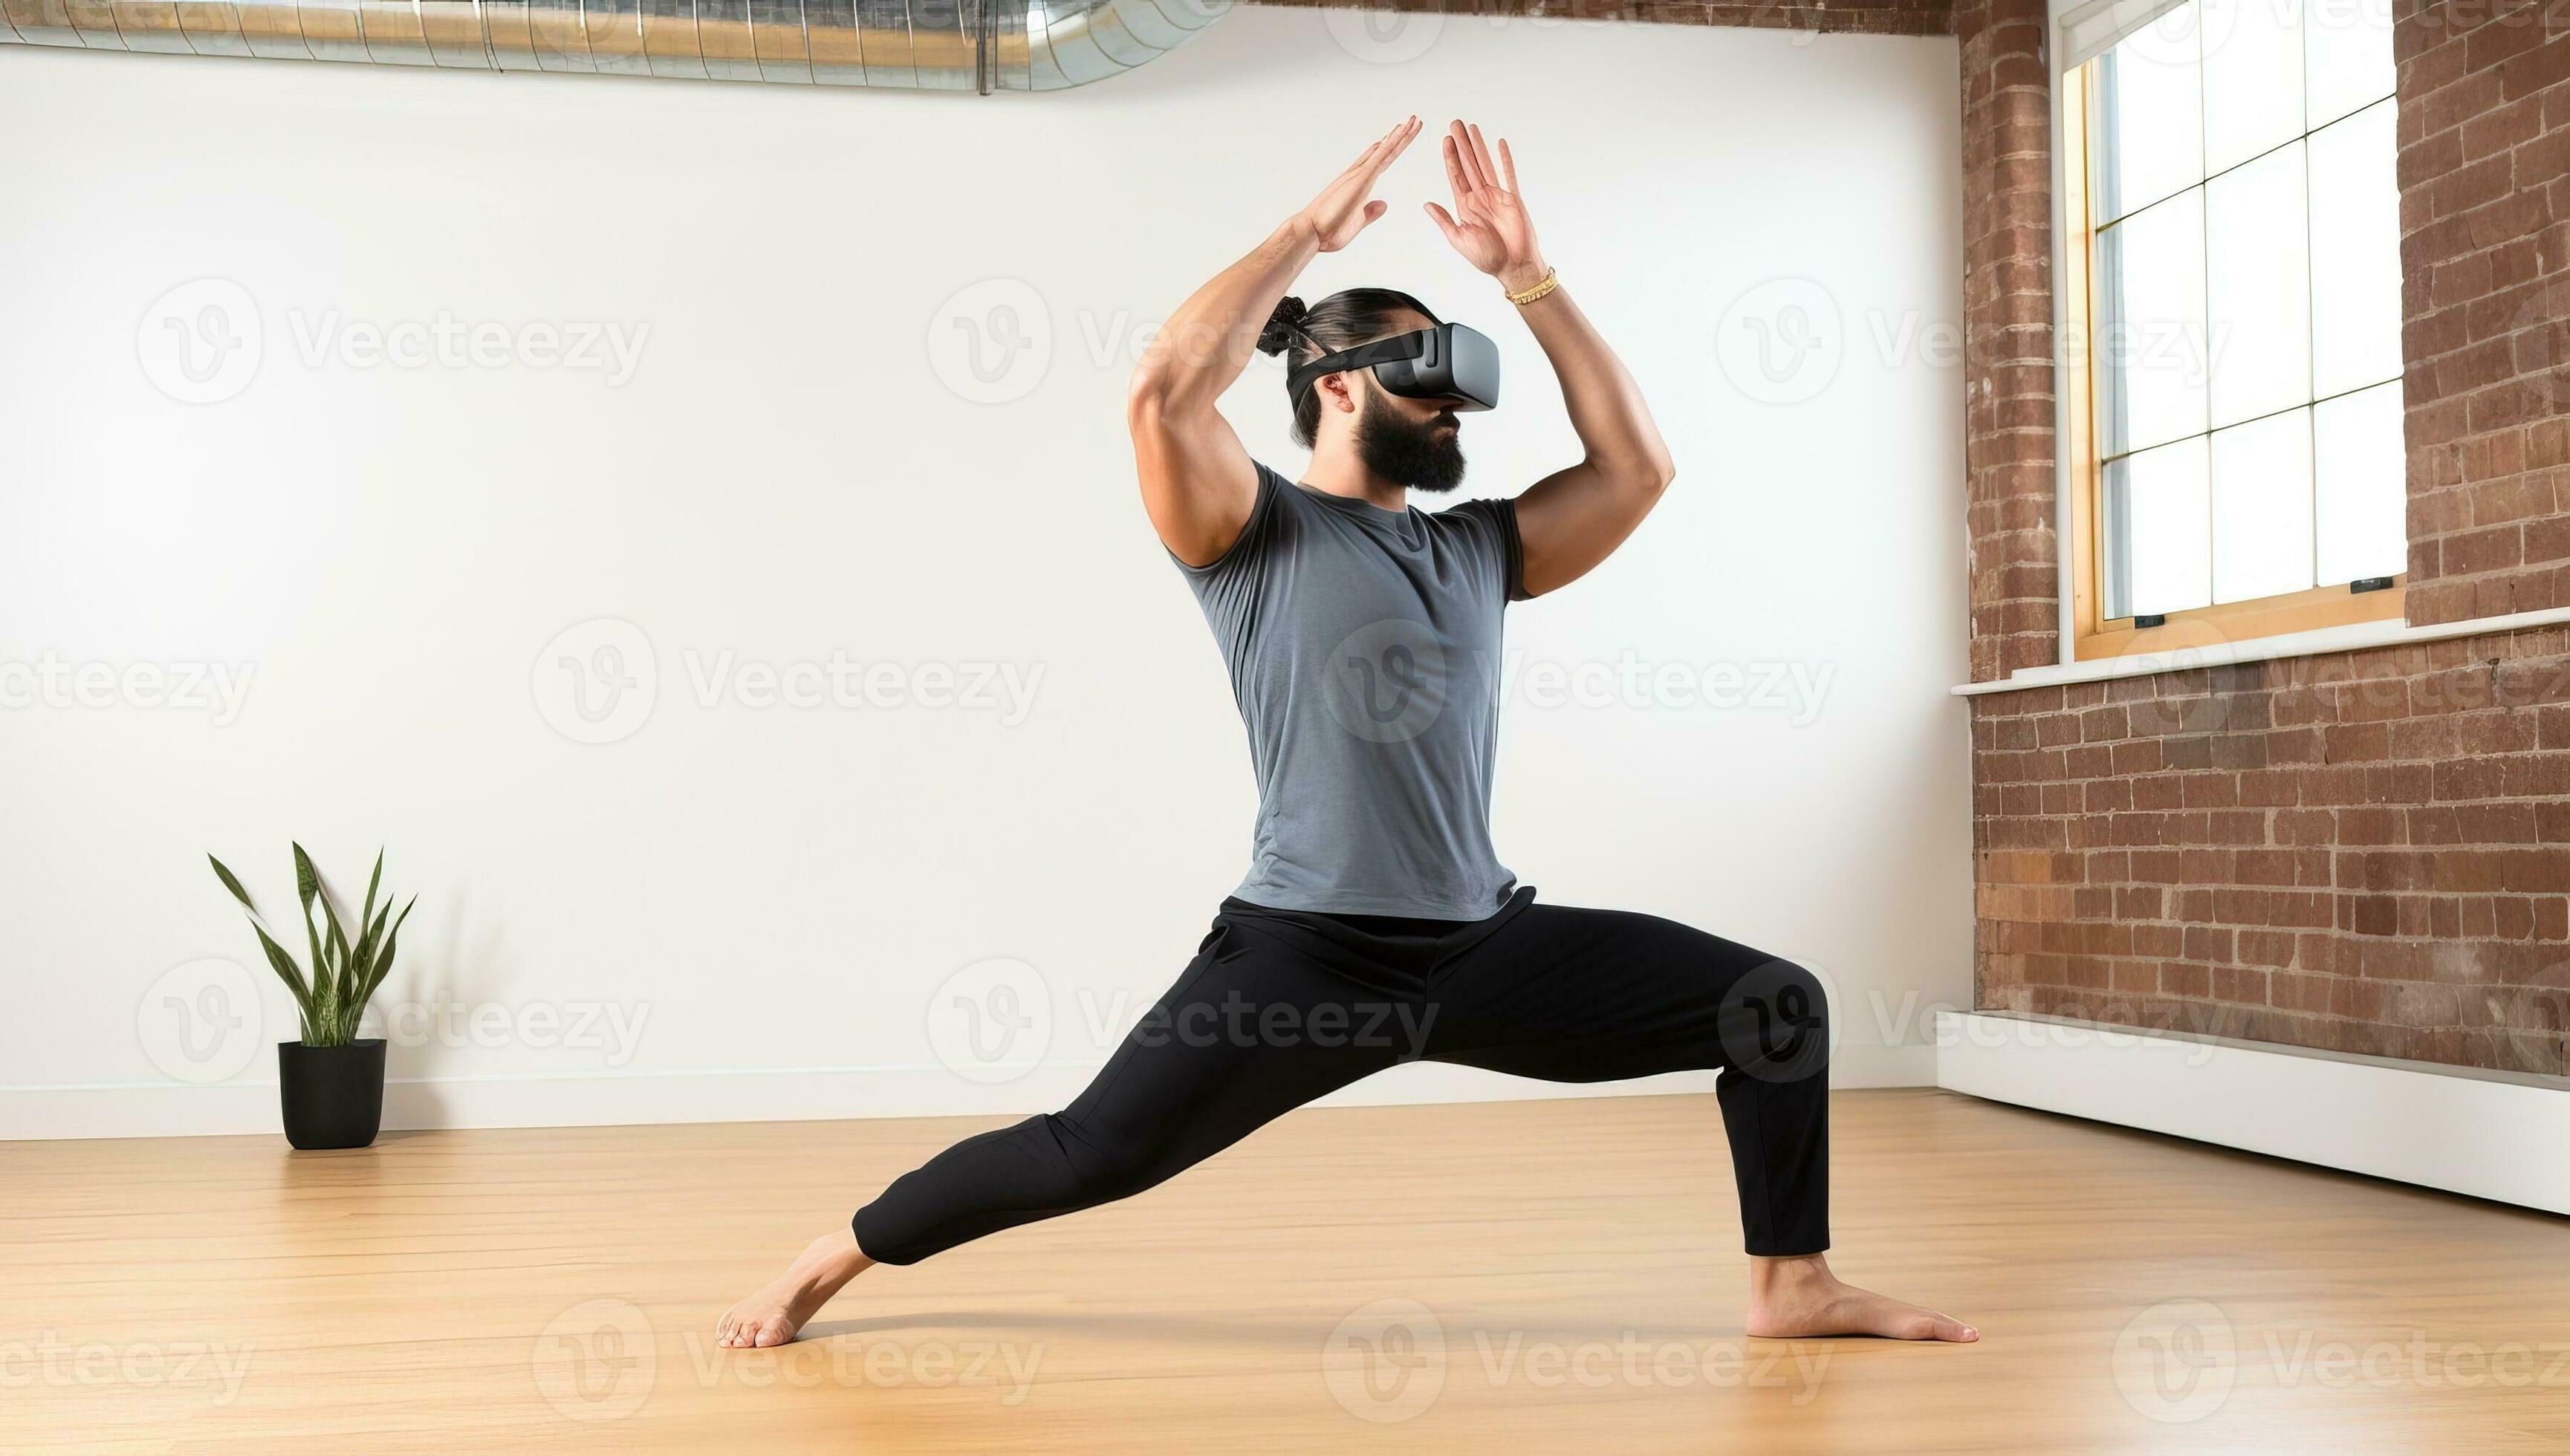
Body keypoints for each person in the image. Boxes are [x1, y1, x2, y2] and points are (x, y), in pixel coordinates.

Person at [718, 117, 1977, 1349]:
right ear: (1334, 386)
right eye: (1420, 377)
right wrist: (1304, 236)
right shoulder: (1249, 530)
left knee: (1777, 1007)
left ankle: (1793, 1283)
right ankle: (829, 1256)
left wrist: (1527, 280)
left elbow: (1637, 468)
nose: (1452, 412)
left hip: (1481, 947)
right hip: (1305, 962)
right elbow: (1163, 390)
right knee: (1091, 1154)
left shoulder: (1479, 547)